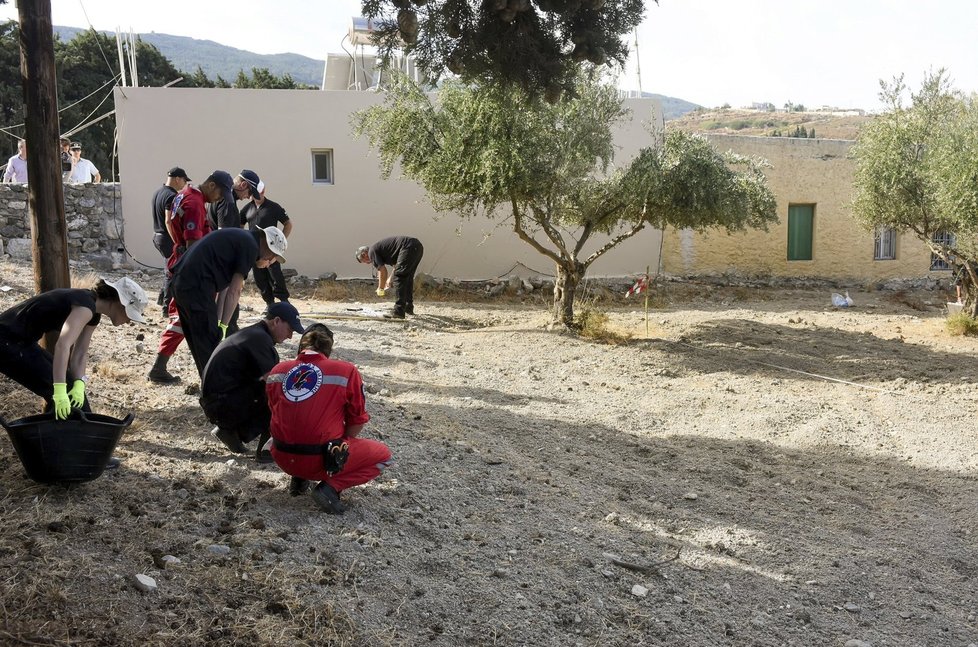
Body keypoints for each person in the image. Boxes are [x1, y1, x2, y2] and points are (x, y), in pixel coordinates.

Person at [265, 323, 392, 514]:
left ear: (301, 346)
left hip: (282, 456)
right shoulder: (346, 371)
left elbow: (275, 412)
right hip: (321, 459)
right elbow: (357, 420)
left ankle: (299, 479)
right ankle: (330, 487)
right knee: (383, 456)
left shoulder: (278, 371)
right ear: (328, 349)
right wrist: (339, 447)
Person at [169, 193, 289, 377]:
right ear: (269, 246)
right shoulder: (250, 247)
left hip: (182, 282)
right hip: (196, 286)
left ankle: (207, 384)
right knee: (209, 344)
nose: (270, 262)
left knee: (200, 340)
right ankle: (213, 391)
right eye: (272, 258)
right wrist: (222, 327)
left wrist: (220, 324)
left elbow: (224, 289)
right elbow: (235, 291)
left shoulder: (242, 239)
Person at [0, 277, 147, 421]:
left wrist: (79, 383)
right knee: (62, 391)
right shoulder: (85, 307)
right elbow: (63, 345)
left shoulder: (93, 313)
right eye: (130, 314)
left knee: (72, 390)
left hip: (21, 343)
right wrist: (59, 390)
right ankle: (69, 438)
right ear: (119, 302)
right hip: (6, 342)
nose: (129, 321)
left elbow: (80, 354)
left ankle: (64, 436)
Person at [200, 302, 304, 461]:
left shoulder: (254, 334)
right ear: (276, 321)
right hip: (221, 405)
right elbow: (274, 382)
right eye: (290, 329)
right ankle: (266, 451)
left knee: (273, 390)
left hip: (217, 402)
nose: (290, 336)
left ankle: (231, 432)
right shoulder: (259, 339)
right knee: (283, 396)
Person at [147, 174, 216, 384]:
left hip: (179, 260)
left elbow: (170, 220)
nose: (219, 199)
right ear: (212, 186)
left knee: (180, 317)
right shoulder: (194, 202)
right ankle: (160, 367)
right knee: (182, 318)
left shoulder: (184, 194)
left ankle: (161, 366)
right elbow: (194, 242)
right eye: (220, 193)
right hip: (189, 267)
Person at [239, 177, 293, 306]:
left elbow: (288, 224)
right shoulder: (247, 209)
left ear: (263, 191)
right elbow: (240, 227)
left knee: (275, 276)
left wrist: (281, 242)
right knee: (260, 279)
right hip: (254, 250)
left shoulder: (274, 207)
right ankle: (270, 304)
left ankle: (284, 302)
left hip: (270, 249)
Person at [151, 167, 191, 315]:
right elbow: (168, 221)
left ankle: (162, 299)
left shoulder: (158, 192)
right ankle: (166, 309)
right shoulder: (172, 196)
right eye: (184, 181)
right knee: (172, 272)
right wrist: (177, 241)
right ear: (177, 179)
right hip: (167, 238)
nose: (185, 184)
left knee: (168, 268)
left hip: (157, 236)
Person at [355, 236, 425, 319]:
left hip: (407, 247)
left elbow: (382, 270)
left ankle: (399, 311)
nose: (367, 263)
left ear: (364, 255)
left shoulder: (371, 252)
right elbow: (396, 266)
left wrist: (380, 288)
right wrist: (390, 279)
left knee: (400, 278)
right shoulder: (382, 250)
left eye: (364, 261)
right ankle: (408, 307)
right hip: (416, 246)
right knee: (408, 277)